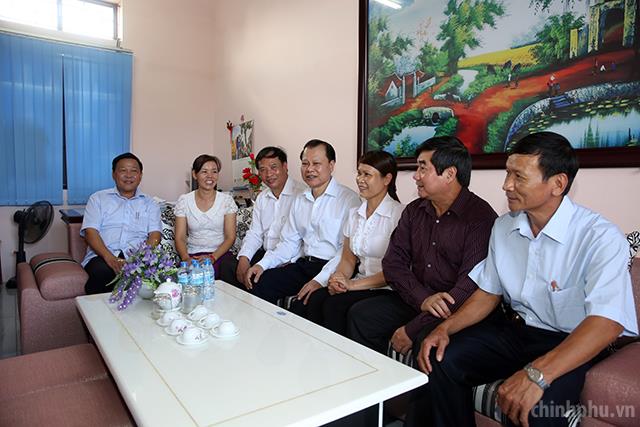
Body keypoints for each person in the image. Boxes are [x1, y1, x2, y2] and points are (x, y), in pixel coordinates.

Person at [410, 131, 638, 427]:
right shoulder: (504, 227)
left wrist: (537, 373)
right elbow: (488, 292)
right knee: (439, 357)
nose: (506, 185)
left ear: (558, 184)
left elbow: (607, 322)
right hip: (518, 332)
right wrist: (445, 328)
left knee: (534, 407)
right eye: (508, 173)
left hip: (573, 340)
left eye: (519, 177)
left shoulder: (599, 237)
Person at [347, 136, 498, 355]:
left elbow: (467, 288)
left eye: (423, 168)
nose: (416, 176)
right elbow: (392, 264)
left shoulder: (480, 218)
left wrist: (412, 329)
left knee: (425, 340)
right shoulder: (414, 211)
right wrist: (422, 298)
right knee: (361, 315)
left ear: (449, 174)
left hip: (457, 309)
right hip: (418, 299)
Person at [245, 139, 361, 305]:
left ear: (331, 165)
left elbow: (345, 253)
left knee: (309, 302)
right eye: (305, 163)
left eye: (316, 163)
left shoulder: (349, 200)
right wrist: (262, 265)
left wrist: (319, 280)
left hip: (334, 268)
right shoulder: (300, 199)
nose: (309, 169)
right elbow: (288, 242)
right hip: (305, 265)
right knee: (262, 281)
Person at [303, 151, 404, 335]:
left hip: (387, 288)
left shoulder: (399, 215)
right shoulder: (355, 214)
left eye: (367, 174)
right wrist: (338, 279)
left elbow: (395, 271)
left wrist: (350, 285)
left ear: (387, 179)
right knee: (316, 299)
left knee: (336, 306)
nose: (360, 179)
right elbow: (348, 260)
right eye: (359, 173)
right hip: (359, 282)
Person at [218, 146, 305, 288]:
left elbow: (302, 241)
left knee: (260, 279)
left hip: (290, 258)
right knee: (228, 265)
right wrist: (244, 258)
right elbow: (255, 233)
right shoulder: (262, 198)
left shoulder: (302, 195)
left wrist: (287, 260)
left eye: (273, 167)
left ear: (285, 166)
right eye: (263, 170)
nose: (269, 174)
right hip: (266, 253)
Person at [82, 153, 162, 295]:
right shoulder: (98, 199)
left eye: (134, 171)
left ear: (140, 176)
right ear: (114, 174)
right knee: (102, 272)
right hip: (103, 256)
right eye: (123, 170)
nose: (129, 175)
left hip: (138, 257)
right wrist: (110, 258)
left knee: (157, 277)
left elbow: (155, 235)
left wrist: (139, 259)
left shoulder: (150, 203)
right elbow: (90, 232)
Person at [174, 154, 237, 275]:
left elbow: (230, 237)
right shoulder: (184, 201)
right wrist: (186, 258)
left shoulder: (227, 201)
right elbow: (180, 237)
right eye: (204, 172)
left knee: (228, 271)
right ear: (194, 174)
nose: (210, 176)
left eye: (214, 171)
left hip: (220, 255)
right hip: (193, 255)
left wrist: (212, 257)